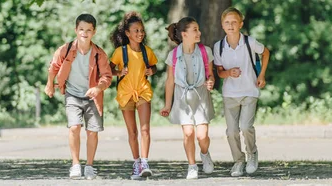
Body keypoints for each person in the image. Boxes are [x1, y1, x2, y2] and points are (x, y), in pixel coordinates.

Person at [45, 14, 112, 180]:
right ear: (76, 30)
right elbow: (53, 67)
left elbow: (107, 76)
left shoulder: (99, 54)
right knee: (74, 127)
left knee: (92, 132)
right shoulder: (65, 50)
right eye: (81, 29)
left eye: (88, 30)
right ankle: (75, 164)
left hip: (93, 97)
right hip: (72, 94)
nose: (84, 33)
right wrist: (49, 85)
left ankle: (89, 166)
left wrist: (98, 88)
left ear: (94, 32)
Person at [212, 7, 270, 177]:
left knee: (245, 127)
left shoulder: (249, 42)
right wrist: (229, 73)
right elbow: (220, 73)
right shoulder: (219, 46)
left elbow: (266, 53)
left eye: (234, 22)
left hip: (249, 91)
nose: (231, 25)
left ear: (240, 24)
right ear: (222, 25)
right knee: (231, 132)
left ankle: (252, 154)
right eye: (227, 22)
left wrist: (261, 75)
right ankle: (238, 161)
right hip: (230, 94)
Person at [160, 17, 215, 180]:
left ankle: (205, 154)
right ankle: (192, 166)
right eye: (195, 30)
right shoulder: (174, 55)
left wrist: (211, 81)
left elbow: (210, 74)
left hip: (201, 97)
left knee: (202, 136)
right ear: (184, 34)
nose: (199, 33)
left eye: (198, 29)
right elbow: (170, 81)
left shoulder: (205, 51)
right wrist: (167, 105)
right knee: (188, 133)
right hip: (182, 99)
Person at [109, 11, 158, 180]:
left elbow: (154, 66)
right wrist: (119, 72)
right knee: (133, 132)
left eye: (141, 30)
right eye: (136, 31)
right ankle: (136, 163)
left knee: (145, 129)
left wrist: (152, 70)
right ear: (127, 33)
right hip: (126, 94)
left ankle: (145, 162)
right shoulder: (120, 52)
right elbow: (109, 70)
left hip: (143, 91)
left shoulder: (147, 51)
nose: (140, 33)